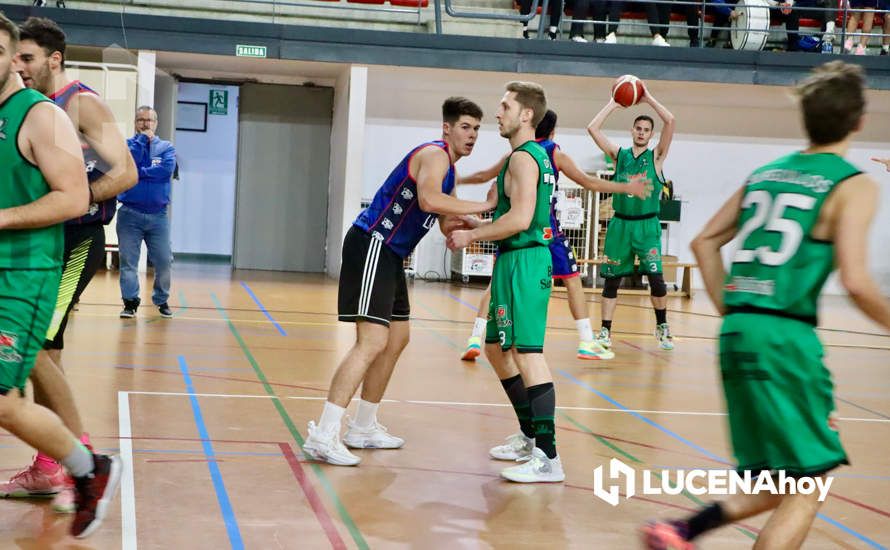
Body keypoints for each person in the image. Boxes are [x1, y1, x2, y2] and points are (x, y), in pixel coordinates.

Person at [645, 61, 890, 549]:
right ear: (859, 121)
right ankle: (685, 529)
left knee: (778, 482)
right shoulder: (852, 184)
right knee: (809, 485)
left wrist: (736, 313)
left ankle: (684, 530)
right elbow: (858, 283)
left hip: (738, 333)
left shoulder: (766, 174)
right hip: (786, 340)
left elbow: (705, 243)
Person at [302, 97, 496, 466]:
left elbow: (442, 216)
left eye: (477, 129)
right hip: (373, 242)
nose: (472, 136)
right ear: (447, 128)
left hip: (391, 255)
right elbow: (427, 199)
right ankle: (323, 434)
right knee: (372, 341)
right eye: (466, 127)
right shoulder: (435, 154)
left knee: (398, 338)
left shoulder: (449, 171)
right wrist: (484, 207)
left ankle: (363, 425)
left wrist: (483, 228)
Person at [0, 16, 137, 512]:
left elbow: (126, 171)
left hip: (73, 240)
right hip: (31, 239)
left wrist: (75, 201)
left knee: (42, 349)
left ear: (53, 60)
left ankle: (69, 462)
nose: (22, 66)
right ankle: (64, 460)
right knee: (35, 352)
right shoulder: (16, 108)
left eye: (28, 58)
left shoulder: (79, 103)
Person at [458, 109, 650, 362]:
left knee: (496, 284)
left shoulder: (516, 153)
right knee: (571, 280)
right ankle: (586, 341)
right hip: (546, 229)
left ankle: (475, 336)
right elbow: (588, 182)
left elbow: (484, 176)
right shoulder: (553, 153)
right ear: (552, 130)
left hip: (515, 229)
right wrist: (626, 187)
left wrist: (457, 180)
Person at [448, 81, 564, 483]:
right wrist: (473, 221)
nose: (498, 113)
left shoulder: (524, 159)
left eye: (505, 106)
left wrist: (471, 236)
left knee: (529, 354)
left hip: (527, 262)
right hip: (513, 257)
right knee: (497, 349)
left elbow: (520, 219)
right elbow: (510, 216)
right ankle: (530, 435)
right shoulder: (521, 156)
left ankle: (548, 457)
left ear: (526, 114)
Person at [587, 82, 676, 352]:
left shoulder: (656, 157)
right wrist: (615, 102)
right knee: (612, 280)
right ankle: (604, 332)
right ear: (632, 131)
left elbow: (670, 120)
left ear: (651, 134)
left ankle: (662, 326)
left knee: (657, 279)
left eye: (647, 130)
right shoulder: (620, 156)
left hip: (647, 225)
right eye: (638, 128)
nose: (642, 133)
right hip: (620, 225)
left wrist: (647, 98)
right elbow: (592, 128)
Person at [118, 105, 176, 319]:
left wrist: (138, 173)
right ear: (135, 123)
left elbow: (166, 171)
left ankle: (161, 299)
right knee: (128, 262)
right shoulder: (126, 145)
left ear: (156, 123)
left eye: (149, 120)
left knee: (163, 260)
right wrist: (142, 142)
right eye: (141, 120)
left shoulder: (166, 147)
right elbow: (127, 165)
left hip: (158, 217)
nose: (145, 124)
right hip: (129, 215)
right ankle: (130, 302)